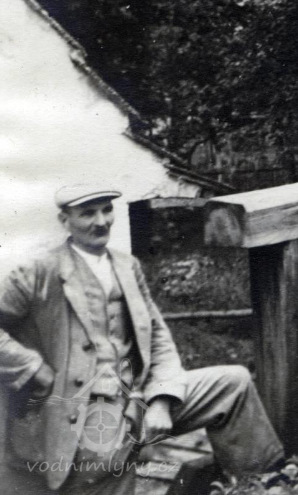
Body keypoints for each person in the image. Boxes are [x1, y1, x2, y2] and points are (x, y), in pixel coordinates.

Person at [0, 185, 283, 494]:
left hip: (135, 396)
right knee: (109, 457)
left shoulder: (126, 265)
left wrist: (161, 399)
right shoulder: (38, 272)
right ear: (64, 220)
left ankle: (263, 487)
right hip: (78, 411)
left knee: (233, 385)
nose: (101, 222)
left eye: (107, 210)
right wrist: (32, 368)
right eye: (87, 214)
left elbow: (157, 335)